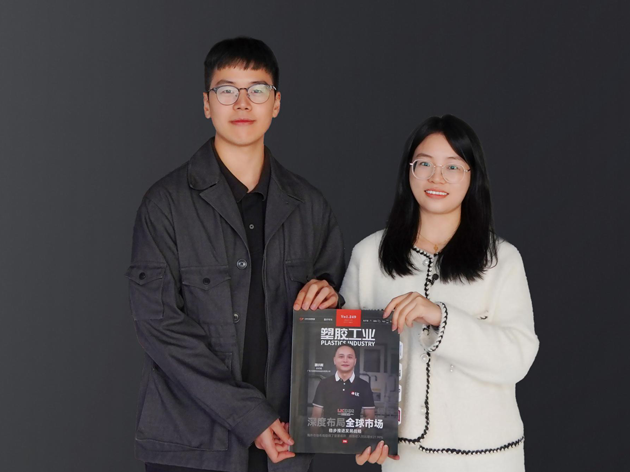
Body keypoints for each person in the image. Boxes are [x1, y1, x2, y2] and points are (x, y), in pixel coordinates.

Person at [126, 37, 344, 472]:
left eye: (257, 90)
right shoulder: (164, 205)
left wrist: (333, 300)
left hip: (284, 444)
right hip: (192, 446)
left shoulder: (310, 206)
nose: (242, 103)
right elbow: (160, 327)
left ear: (276, 103)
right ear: (207, 104)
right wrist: (249, 416)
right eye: (227, 90)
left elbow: (340, 322)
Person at [340, 115, 539, 471]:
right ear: (408, 171)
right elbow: (344, 351)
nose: (437, 177)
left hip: (489, 459)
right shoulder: (369, 256)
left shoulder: (501, 259)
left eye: (453, 167)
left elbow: (518, 357)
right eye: (424, 164)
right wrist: (357, 435)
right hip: (403, 459)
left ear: (473, 176)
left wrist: (440, 317)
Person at [311, 344, 375, 423]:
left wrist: (357, 431)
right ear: (334, 360)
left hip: (354, 430)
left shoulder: (364, 386)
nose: (345, 360)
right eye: (341, 356)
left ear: (355, 361)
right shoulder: (324, 384)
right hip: (329, 430)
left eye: (349, 357)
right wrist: (315, 431)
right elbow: (316, 415)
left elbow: (370, 416)